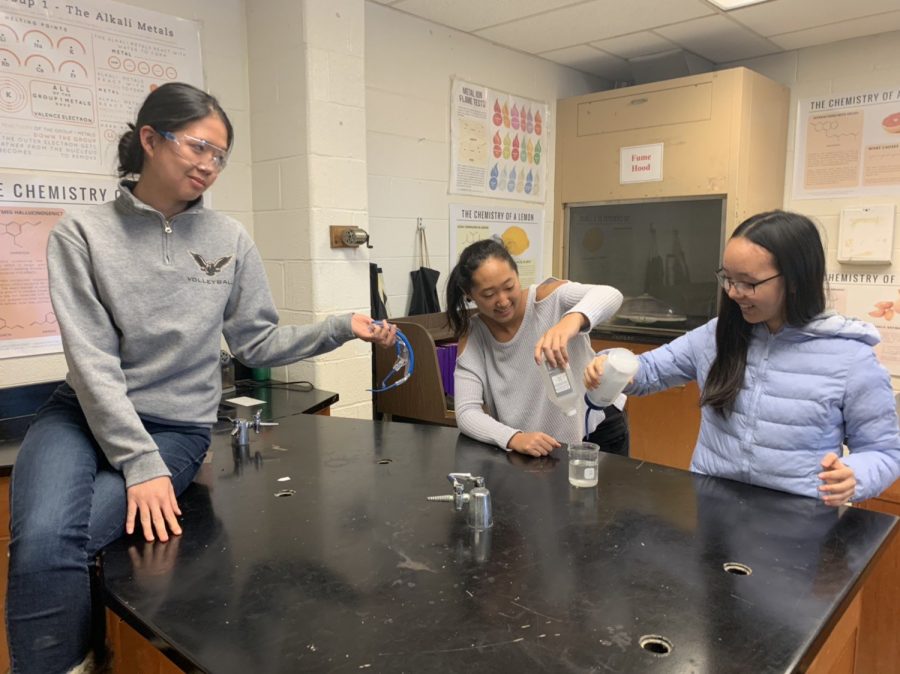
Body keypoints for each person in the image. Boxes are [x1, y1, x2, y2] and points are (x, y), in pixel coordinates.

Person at [6, 82, 396, 674]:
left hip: (176, 427)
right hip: (80, 412)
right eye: (198, 147)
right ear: (149, 140)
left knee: (73, 536)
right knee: (38, 539)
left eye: (219, 156)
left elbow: (256, 341)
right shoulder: (82, 234)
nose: (209, 165)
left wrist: (343, 326)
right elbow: (92, 362)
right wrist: (140, 465)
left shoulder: (229, 240)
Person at [584, 210, 900, 505]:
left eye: (748, 282)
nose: (733, 293)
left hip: (798, 522)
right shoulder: (716, 335)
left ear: (794, 280)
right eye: (728, 278)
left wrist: (855, 475)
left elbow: (884, 451)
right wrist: (610, 364)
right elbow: (649, 371)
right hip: (714, 511)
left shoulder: (849, 357)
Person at [447, 238, 626, 457]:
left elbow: (611, 295)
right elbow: (467, 412)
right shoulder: (475, 336)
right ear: (469, 294)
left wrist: (570, 322)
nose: (502, 301)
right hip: (536, 446)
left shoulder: (550, 298)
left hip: (598, 427)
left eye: (509, 287)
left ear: (517, 276)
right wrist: (513, 438)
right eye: (489, 294)